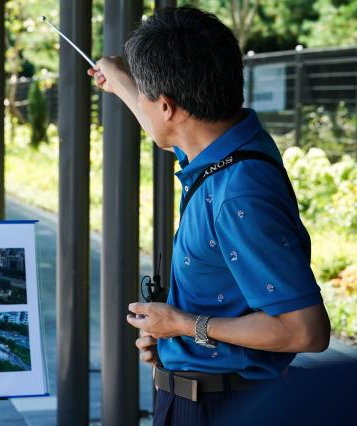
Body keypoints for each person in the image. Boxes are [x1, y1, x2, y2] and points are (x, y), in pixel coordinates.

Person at [89, 6, 330, 426]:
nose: (143, 106)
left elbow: (306, 330)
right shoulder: (230, 140)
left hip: (220, 409)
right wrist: (119, 78)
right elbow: (164, 130)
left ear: (167, 106)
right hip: (198, 394)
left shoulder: (238, 193)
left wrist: (184, 325)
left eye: (148, 99)